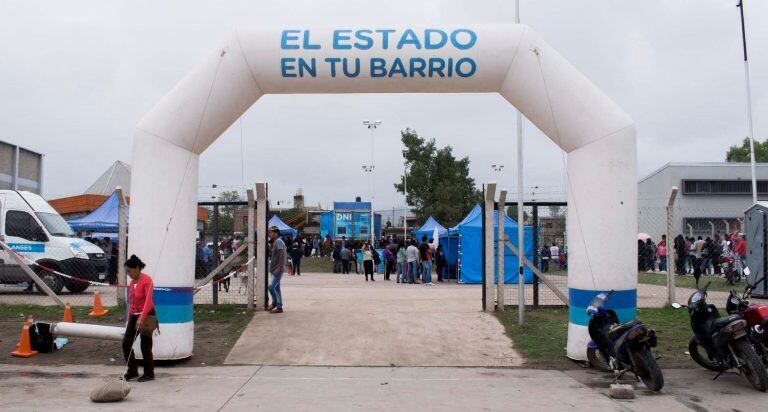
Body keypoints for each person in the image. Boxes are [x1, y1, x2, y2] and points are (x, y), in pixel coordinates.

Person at [122, 255, 155, 382]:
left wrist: (142, 318)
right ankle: (132, 370)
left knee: (145, 345)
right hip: (134, 315)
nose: (128, 274)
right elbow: (132, 301)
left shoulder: (147, 281)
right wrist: (132, 317)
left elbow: (148, 302)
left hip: (147, 315)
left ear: (137, 269)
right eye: (127, 271)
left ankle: (149, 373)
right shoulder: (131, 283)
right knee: (126, 343)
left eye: (129, 271)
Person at [267, 226, 286, 313]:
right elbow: (275, 255)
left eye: (271, 232)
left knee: (271, 287)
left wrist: (279, 268)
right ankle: (279, 307)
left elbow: (281, 255)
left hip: (277, 269)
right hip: (274, 268)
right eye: (269, 233)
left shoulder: (278, 241)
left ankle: (275, 303)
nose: (269, 234)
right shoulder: (275, 242)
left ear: (276, 233)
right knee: (277, 288)